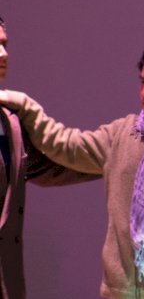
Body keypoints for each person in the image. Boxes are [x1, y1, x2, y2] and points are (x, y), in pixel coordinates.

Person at [0, 42, 144, 298]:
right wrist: (26, 106)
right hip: (122, 290)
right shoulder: (124, 134)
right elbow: (66, 146)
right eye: (142, 82)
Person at [0, 16, 99, 298]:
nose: (3, 54)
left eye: (5, 44)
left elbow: (44, 168)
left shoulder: (9, 120)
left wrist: (120, 156)